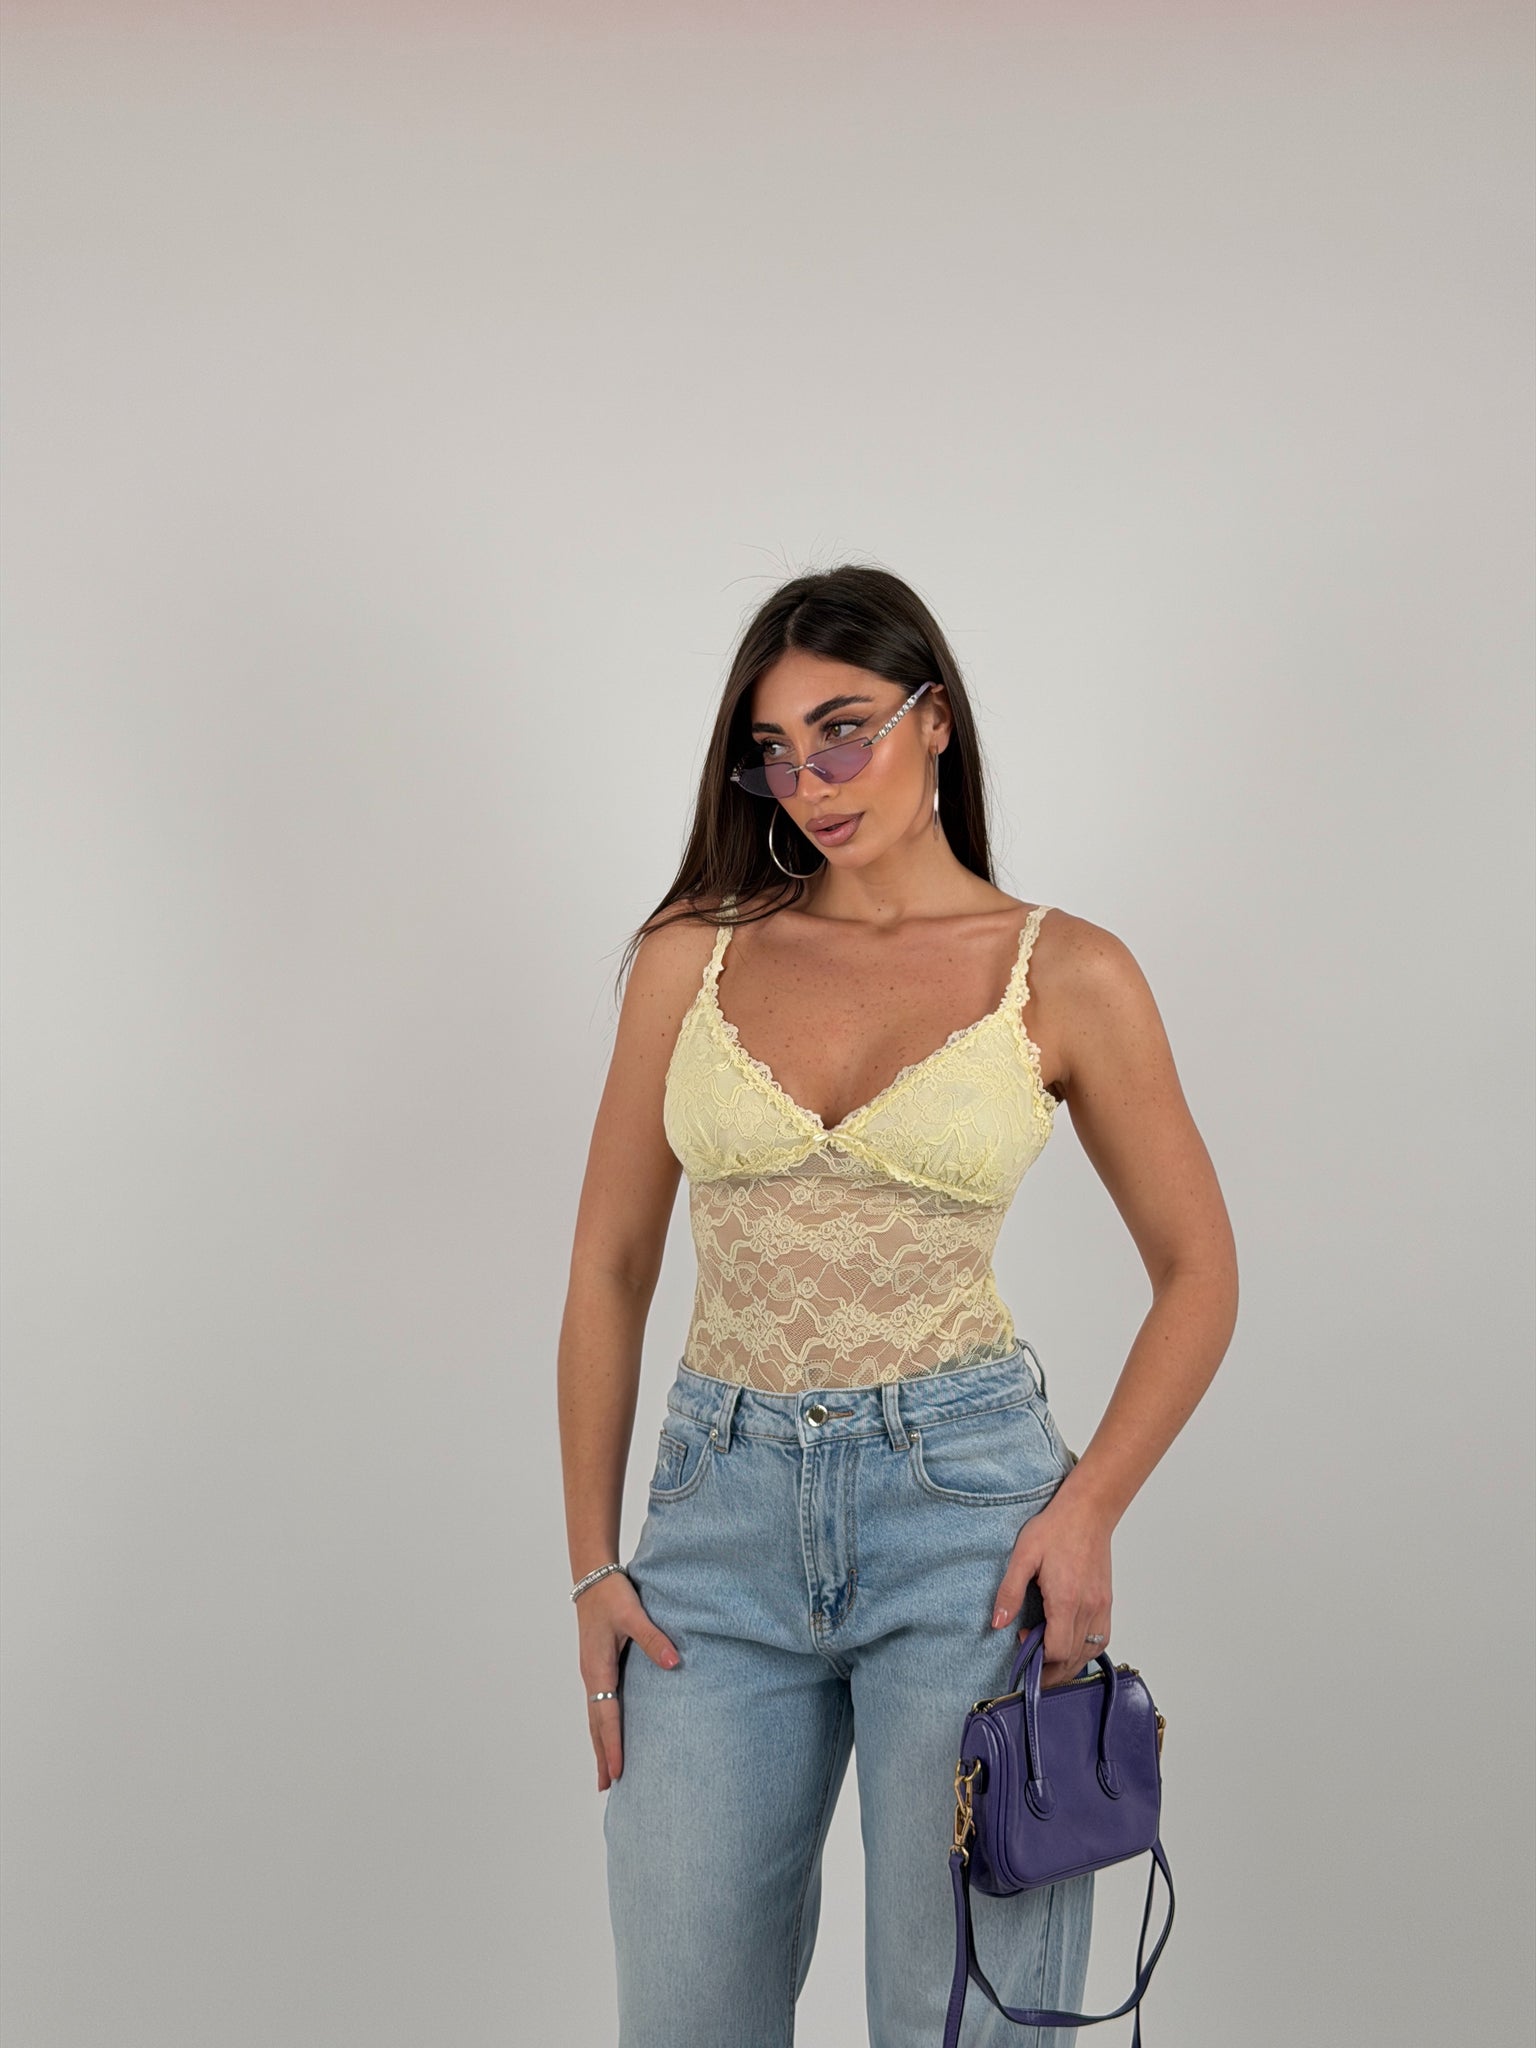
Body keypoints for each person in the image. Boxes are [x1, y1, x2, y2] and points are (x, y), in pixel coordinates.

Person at [557, 564, 1238, 2048]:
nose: (809, 782)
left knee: (966, 2023)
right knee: (683, 2014)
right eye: (775, 751)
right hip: (715, 1533)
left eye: (844, 730)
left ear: (935, 717)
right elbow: (610, 1263)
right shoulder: (693, 955)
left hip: (971, 1529)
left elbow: (1200, 1272)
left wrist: (1089, 1508)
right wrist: (592, 1562)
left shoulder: (1067, 972)